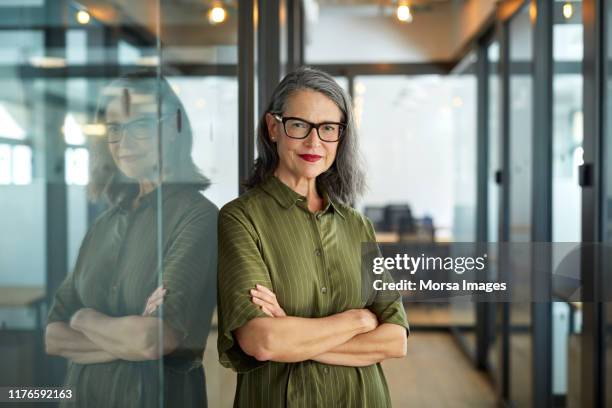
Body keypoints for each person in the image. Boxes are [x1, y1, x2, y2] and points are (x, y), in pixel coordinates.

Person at [217, 67, 409, 407]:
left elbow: (394, 341)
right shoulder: (240, 219)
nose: (314, 142)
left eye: (328, 128)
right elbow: (264, 342)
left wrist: (295, 334)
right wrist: (359, 320)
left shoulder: (357, 226)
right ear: (273, 128)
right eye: (299, 125)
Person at [45, 71, 217, 408]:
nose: (123, 143)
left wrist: (85, 318)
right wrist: (125, 338)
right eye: (114, 129)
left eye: (139, 126)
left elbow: (153, 339)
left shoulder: (199, 217)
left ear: (171, 128)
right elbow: (53, 336)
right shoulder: (104, 224)